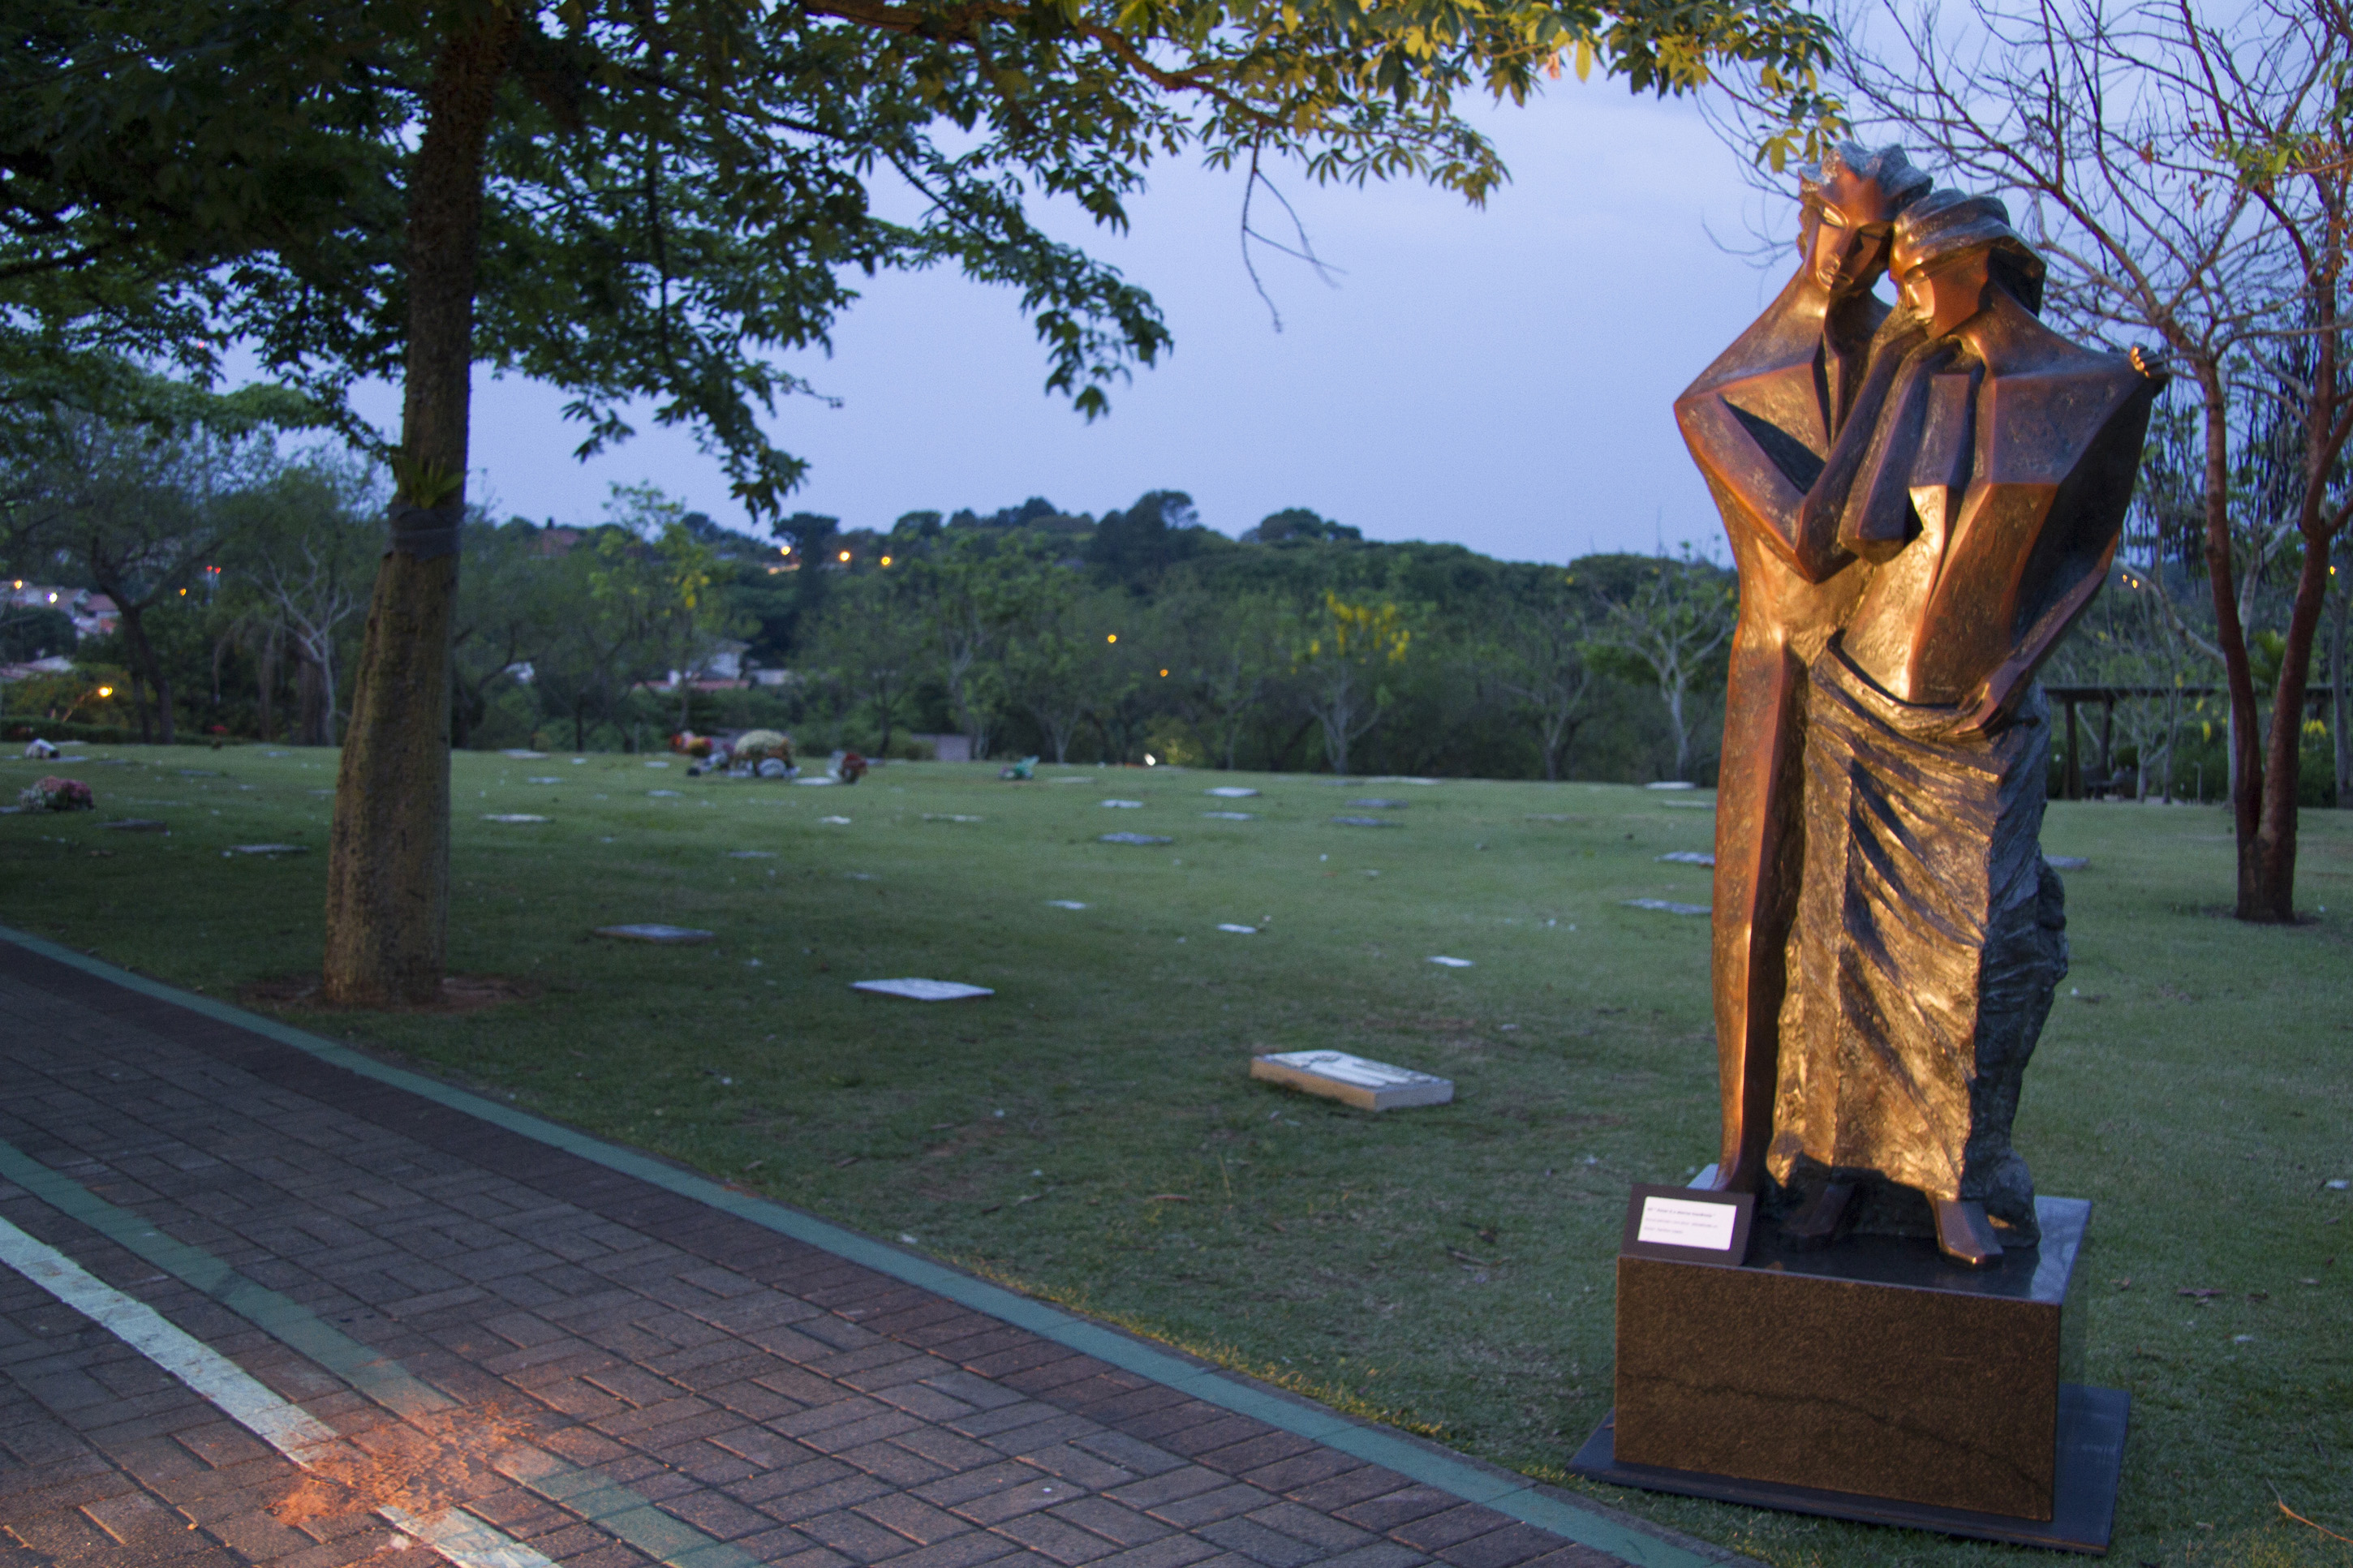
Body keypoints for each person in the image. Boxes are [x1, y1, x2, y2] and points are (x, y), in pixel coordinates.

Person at [1765, 190, 2164, 1264]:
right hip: (1864, 693)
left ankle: (1950, 1176)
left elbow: (2087, 554)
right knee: (1839, 951)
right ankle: (1837, 1167)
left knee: (1974, 953)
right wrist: (1894, 365)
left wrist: (2019, 666)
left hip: (1979, 716)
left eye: (1919, 272)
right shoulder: (1922, 379)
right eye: (1894, 278)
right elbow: (1846, 531)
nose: (1908, 291)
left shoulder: (2094, 385)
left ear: (1983, 261)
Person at [1672, 143, 1931, 1195]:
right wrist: (1902, 379)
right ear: (1805, 220)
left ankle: (1870, 1155)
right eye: (1843, 230)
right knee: (1753, 908)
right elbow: (1817, 540)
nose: (1858, 258)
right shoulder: (1721, 396)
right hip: (1781, 667)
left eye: (1879, 242)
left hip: (1885, 669)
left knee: (1886, 919)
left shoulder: (1913, 360)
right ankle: (1742, 1145)